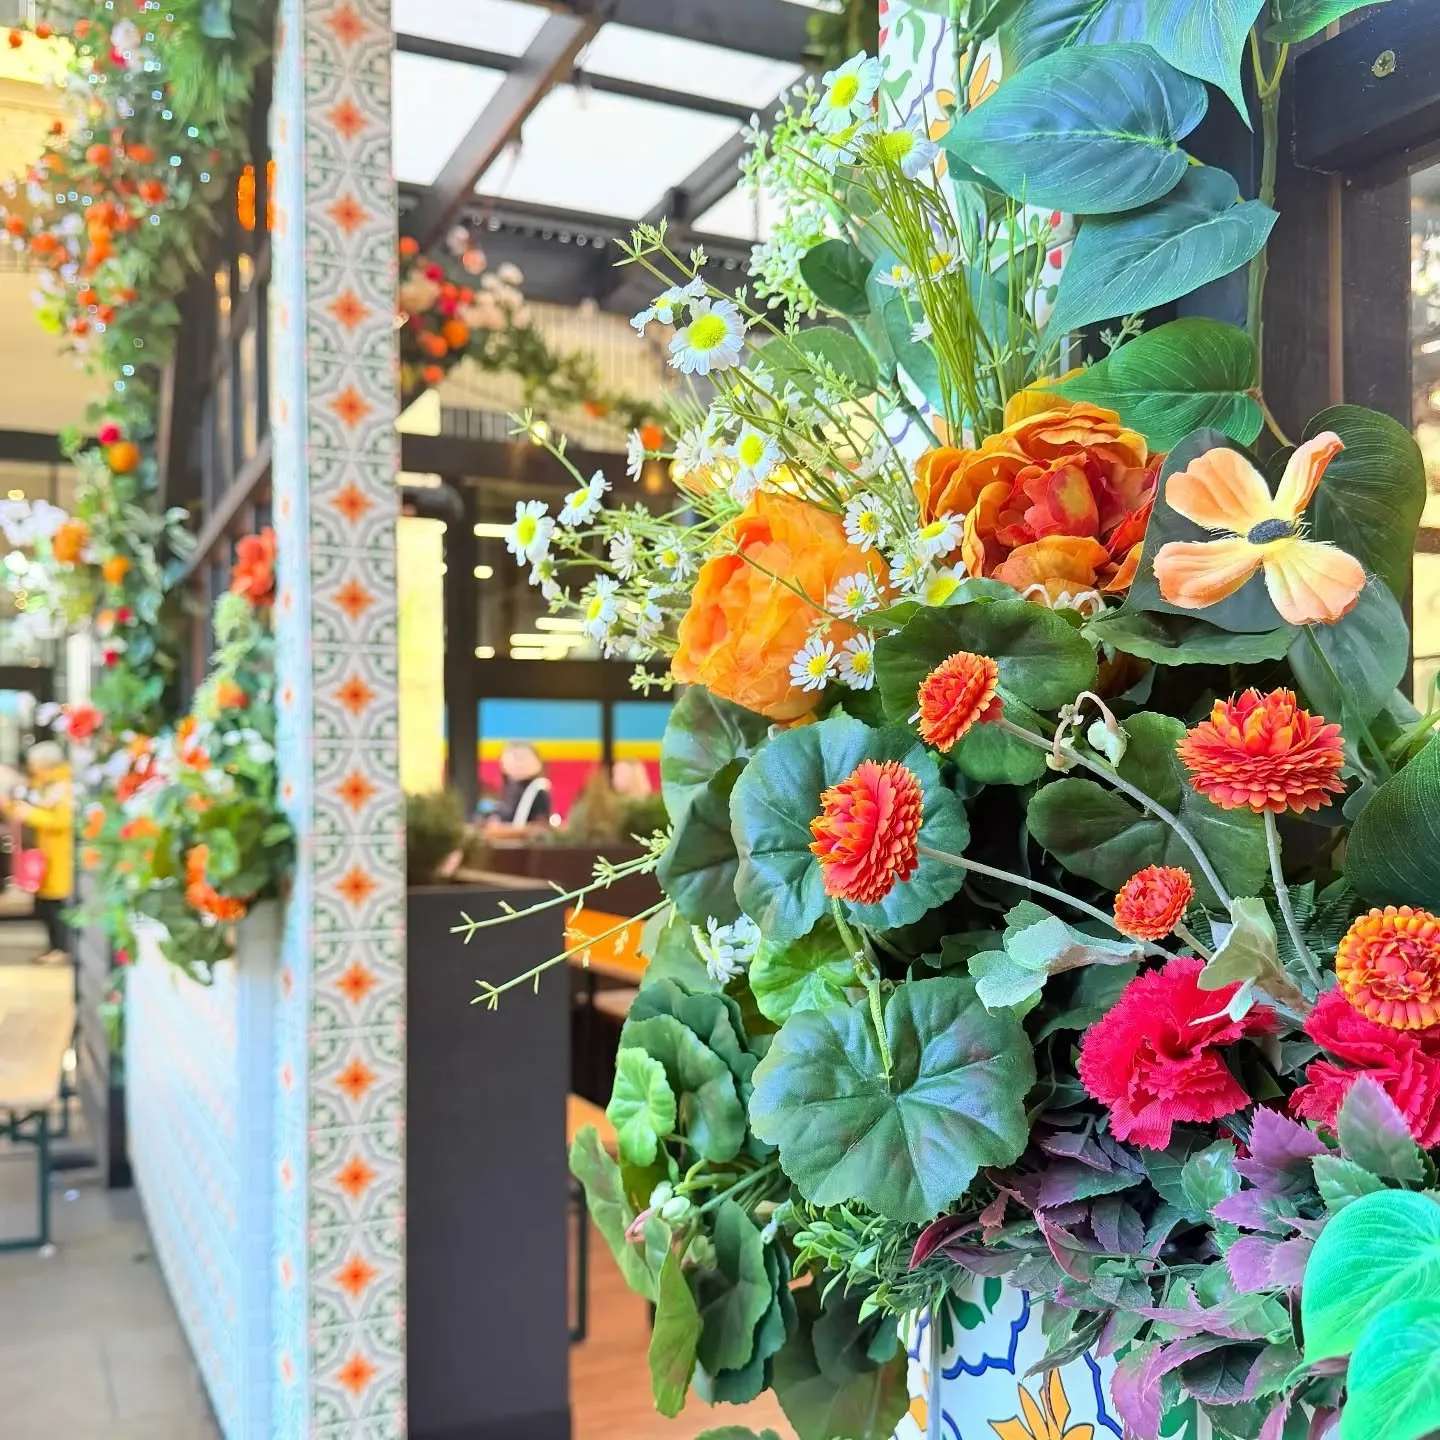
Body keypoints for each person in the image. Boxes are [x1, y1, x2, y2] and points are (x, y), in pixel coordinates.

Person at [12, 741, 73, 960]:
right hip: (46, 856)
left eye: (34, 764)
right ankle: (55, 947)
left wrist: (31, 814)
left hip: (60, 855)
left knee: (57, 907)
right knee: (46, 905)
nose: (31, 768)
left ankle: (62, 949)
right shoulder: (45, 784)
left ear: (45, 764)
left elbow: (63, 820)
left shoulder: (63, 787)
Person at [484, 742, 554, 835]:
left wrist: (507, 830)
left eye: (523, 758)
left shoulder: (538, 790)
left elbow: (540, 826)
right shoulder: (507, 790)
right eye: (514, 757)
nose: (518, 763)